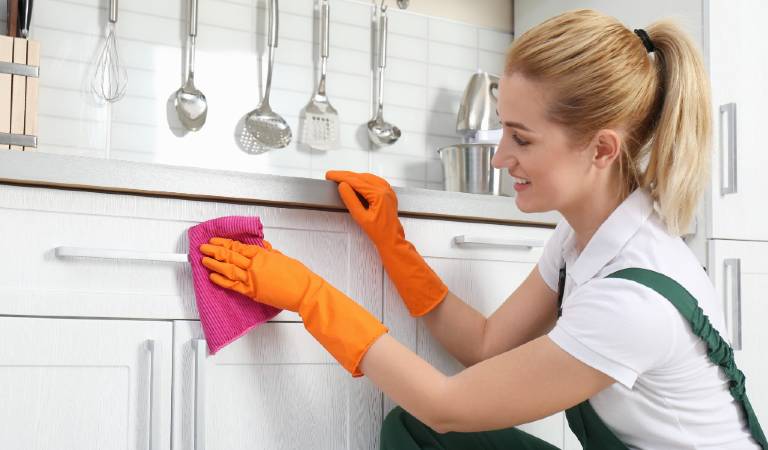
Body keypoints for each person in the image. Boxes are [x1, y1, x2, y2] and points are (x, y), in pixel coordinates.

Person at [199, 9, 766, 450]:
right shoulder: (583, 240)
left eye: (521, 138)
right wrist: (394, 245)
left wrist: (309, 294)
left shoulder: (633, 299)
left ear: (601, 149)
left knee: (431, 418)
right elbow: (487, 346)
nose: (500, 159)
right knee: (414, 431)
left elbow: (446, 402)